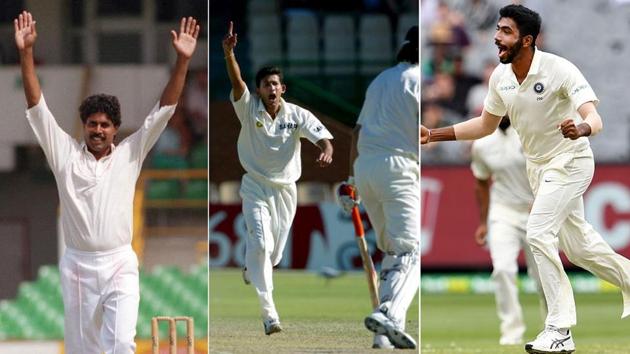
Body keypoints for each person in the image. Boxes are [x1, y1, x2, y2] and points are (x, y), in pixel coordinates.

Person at [420, 4, 630, 353]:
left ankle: (559, 329)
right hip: (539, 169)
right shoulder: (500, 78)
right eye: (498, 29)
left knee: (538, 232)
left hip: (571, 161)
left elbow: (595, 117)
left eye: (506, 32)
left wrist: (581, 128)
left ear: (527, 40)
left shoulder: (559, 69)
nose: (497, 37)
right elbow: (486, 125)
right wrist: (434, 134)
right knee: (580, 249)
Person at [15, 10, 199, 353]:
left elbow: (165, 110)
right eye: (92, 124)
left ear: (115, 129)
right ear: (83, 126)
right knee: (84, 350)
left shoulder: (130, 153)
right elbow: (37, 107)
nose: (98, 130)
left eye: (104, 125)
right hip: (79, 266)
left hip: (119, 262)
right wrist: (26, 53)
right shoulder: (64, 154)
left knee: (121, 343)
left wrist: (182, 62)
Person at [222, 21, 334, 335]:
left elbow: (323, 138)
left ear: (282, 88)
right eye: (266, 84)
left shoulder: (296, 114)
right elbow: (236, 82)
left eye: (276, 84)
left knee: (272, 256)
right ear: (258, 90)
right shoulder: (248, 109)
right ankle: (270, 314)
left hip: (286, 191)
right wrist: (230, 54)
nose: (271, 89)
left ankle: (251, 267)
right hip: (255, 186)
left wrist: (326, 150)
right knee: (260, 241)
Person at [338, 26, 419, 349]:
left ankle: (381, 336)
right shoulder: (416, 82)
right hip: (398, 168)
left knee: (393, 252)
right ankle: (390, 313)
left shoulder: (380, 80)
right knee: (410, 251)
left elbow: (356, 132)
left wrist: (350, 182)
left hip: (366, 168)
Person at [470, 116, 546, 345]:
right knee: (502, 269)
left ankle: (555, 329)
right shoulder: (481, 143)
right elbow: (481, 181)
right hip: (502, 212)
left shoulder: (531, 130)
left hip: (537, 211)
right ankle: (511, 333)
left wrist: (544, 199)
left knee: (544, 278)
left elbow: (549, 169)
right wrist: (483, 222)